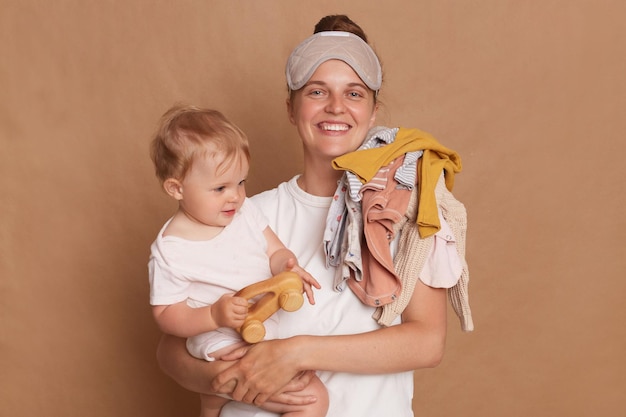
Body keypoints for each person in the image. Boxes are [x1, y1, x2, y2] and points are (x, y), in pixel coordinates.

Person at [156, 15, 472, 417]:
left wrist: (294, 354)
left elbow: (427, 343)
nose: (336, 107)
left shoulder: (407, 209)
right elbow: (171, 348)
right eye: (317, 91)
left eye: (354, 94)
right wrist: (233, 381)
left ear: (374, 112)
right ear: (291, 108)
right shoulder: (241, 215)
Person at [148, 104, 328, 417]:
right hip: (218, 338)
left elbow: (274, 250)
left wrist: (288, 265)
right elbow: (165, 314)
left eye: (241, 183)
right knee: (312, 397)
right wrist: (213, 316)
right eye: (220, 188)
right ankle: (213, 400)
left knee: (222, 402)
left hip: (261, 324)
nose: (236, 196)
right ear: (176, 188)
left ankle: (212, 405)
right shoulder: (171, 249)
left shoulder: (244, 214)